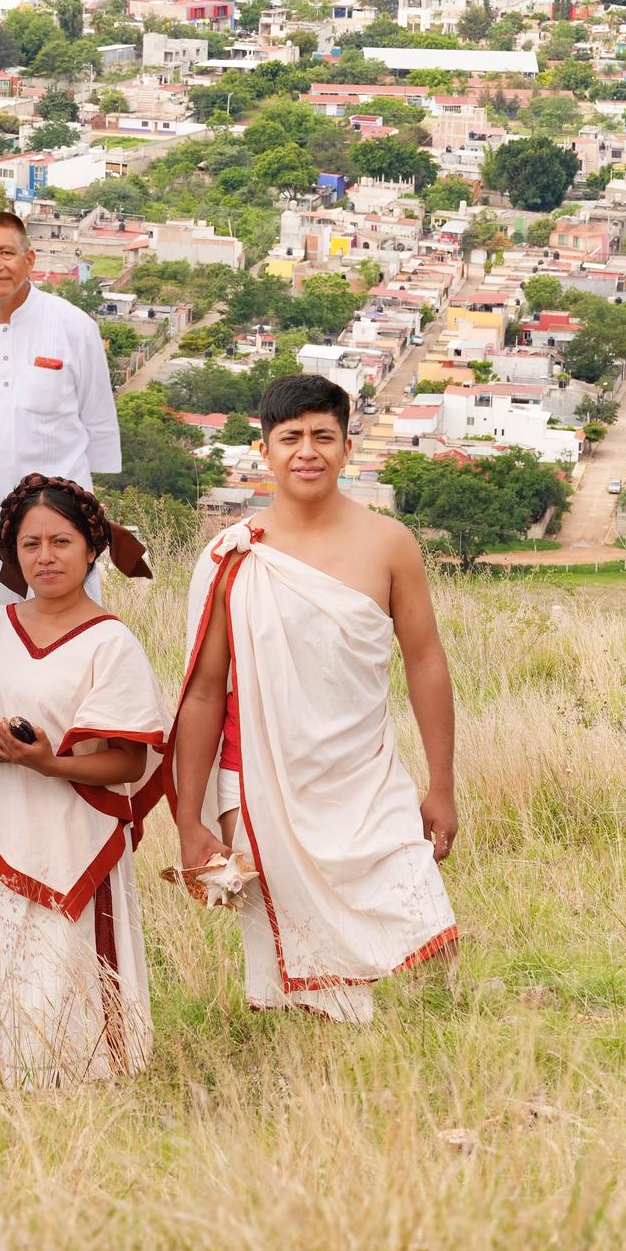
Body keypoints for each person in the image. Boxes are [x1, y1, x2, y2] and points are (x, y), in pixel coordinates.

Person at [168, 374, 460, 1026]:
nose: (308, 451)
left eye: (323, 436)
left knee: (426, 937)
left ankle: (421, 1069)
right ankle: (321, 1087)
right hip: (264, 787)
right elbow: (204, 693)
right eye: (291, 437)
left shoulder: (389, 543)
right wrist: (187, 817)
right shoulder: (232, 558)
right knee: (304, 973)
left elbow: (426, 661)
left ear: (346, 447)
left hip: (367, 779)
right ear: (265, 449)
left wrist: (441, 784)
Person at [0, 475, 166, 1082]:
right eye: (30, 544)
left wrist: (46, 763)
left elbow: (128, 762)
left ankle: (82, 1081)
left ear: (92, 547)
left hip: (73, 828)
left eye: (60, 541)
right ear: (12, 553)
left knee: (65, 960)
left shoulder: (111, 643)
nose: (45, 557)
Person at [0, 208, 122, 623]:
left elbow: (98, 421)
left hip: (63, 523)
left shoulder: (73, 326)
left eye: (6, 253)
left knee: (75, 640)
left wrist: (85, 511)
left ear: (29, 260)